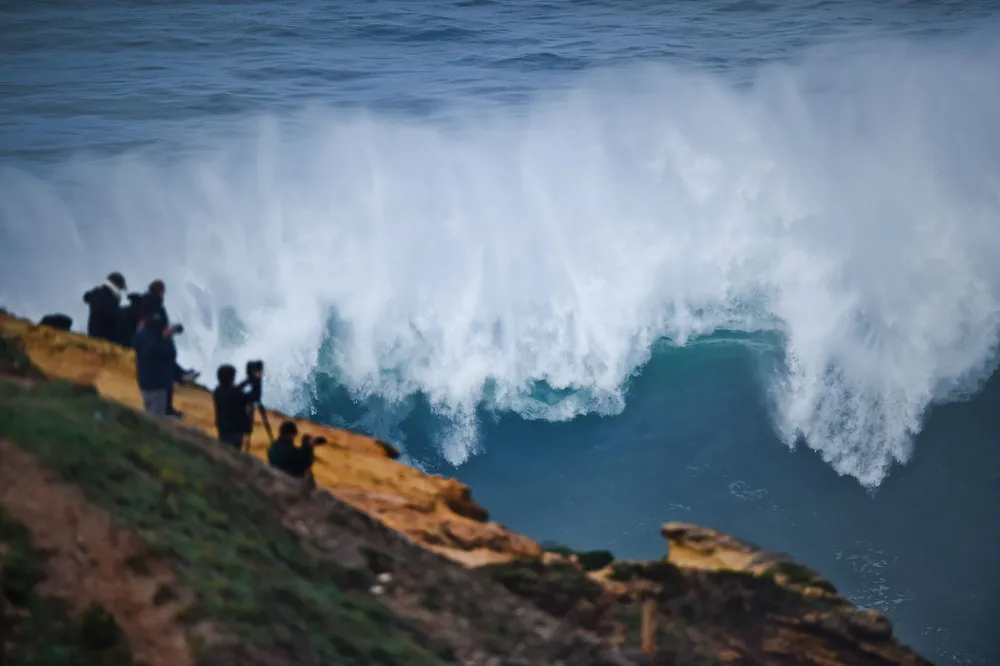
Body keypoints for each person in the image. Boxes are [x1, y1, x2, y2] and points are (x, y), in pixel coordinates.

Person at [132, 315, 181, 417]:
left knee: (149, 410)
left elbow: (137, 339)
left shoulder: (141, 337)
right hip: (158, 386)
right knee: (156, 419)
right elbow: (171, 354)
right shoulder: (158, 345)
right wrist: (168, 338)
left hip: (144, 382)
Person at [212, 363, 254, 449]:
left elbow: (234, 390)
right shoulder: (235, 393)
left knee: (224, 447)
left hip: (223, 426)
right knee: (233, 450)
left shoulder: (218, 390)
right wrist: (256, 384)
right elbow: (253, 397)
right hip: (235, 429)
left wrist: (247, 381)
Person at [82, 272, 126, 342]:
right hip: (104, 336)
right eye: (120, 287)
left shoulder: (100, 293)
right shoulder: (107, 295)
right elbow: (109, 313)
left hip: (96, 333)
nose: (120, 291)